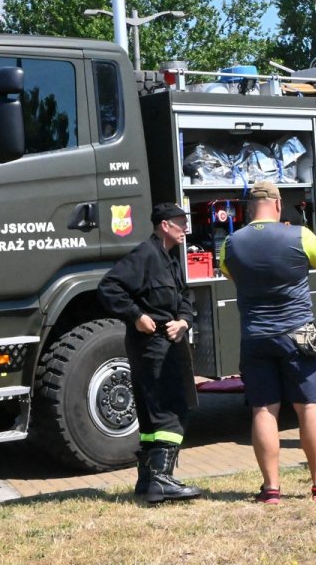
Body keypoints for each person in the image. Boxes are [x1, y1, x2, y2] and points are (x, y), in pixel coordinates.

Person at [219, 180, 316, 504]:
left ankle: (271, 488)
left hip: (255, 333)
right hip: (301, 330)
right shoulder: (299, 234)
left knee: (263, 409)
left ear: (249, 209)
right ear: (277, 205)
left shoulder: (231, 243)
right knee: (310, 405)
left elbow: (232, 275)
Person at [97, 203, 202, 503]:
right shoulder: (145, 254)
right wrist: (136, 315)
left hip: (167, 344)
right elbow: (109, 287)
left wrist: (184, 322)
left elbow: (182, 299)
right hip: (150, 347)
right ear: (165, 225)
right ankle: (162, 480)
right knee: (170, 408)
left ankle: (148, 482)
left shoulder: (170, 260)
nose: (186, 228)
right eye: (181, 223)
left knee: (153, 414)